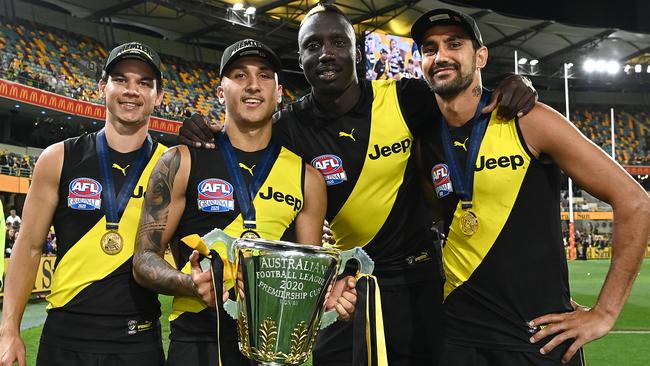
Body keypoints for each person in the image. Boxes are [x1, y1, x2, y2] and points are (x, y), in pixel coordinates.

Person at [178, 4, 537, 365]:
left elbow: (462, 96)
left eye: (337, 42)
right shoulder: (286, 126)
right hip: (340, 290)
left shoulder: (405, 98)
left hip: (417, 286)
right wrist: (199, 128)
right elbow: (239, 137)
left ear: (357, 52)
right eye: (313, 45)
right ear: (300, 58)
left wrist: (512, 82)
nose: (326, 53)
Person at [413, 8, 650, 366]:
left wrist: (605, 312)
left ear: (480, 56)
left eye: (454, 44)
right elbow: (436, 221)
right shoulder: (424, 140)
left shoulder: (530, 120)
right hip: (456, 339)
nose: (440, 56)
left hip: (537, 341)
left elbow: (634, 201)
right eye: (429, 48)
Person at [133, 39, 355, 366]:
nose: (253, 85)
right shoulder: (180, 161)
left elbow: (307, 278)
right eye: (239, 75)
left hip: (273, 345)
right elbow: (143, 259)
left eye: (265, 75)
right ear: (220, 91)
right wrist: (189, 284)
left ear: (279, 92)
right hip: (198, 341)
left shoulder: (307, 178)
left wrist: (329, 296)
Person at [0, 41, 168, 366]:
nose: (131, 90)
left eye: (144, 83)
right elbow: (29, 247)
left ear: (159, 96)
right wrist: (9, 330)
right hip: (65, 336)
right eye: (121, 79)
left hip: (138, 340)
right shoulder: (57, 158)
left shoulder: (173, 166)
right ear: (103, 87)